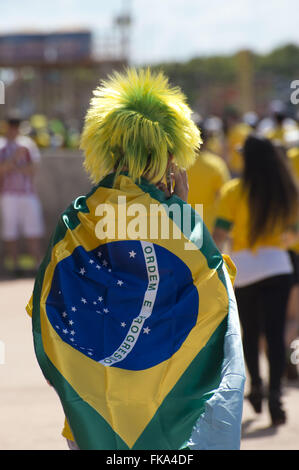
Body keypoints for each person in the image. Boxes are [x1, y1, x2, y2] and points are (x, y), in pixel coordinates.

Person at [26, 68, 245, 450]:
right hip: (171, 414)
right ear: (171, 154)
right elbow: (214, 295)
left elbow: (47, 304)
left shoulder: (80, 216)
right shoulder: (178, 219)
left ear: (107, 150)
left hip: (94, 406)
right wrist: (179, 206)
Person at [213, 134, 299, 426]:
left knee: (250, 332)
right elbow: (294, 232)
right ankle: (276, 395)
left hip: (244, 269)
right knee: (275, 334)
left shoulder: (234, 190)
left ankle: (257, 387)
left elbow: (221, 234)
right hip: (278, 265)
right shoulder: (286, 191)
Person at [0, 115, 44, 275]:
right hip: (8, 194)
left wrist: (14, 167)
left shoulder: (28, 145)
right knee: (10, 230)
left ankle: (37, 264)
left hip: (27, 193)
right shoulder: (2, 145)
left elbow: (33, 169)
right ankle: (14, 266)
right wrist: (14, 160)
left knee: (33, 229)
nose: (13, 130)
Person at [187, 125, 230, 232]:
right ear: (206, 141)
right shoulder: (216, 165)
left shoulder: (177, 163)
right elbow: (225, 197)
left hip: (178, 223)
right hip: (205, 227)